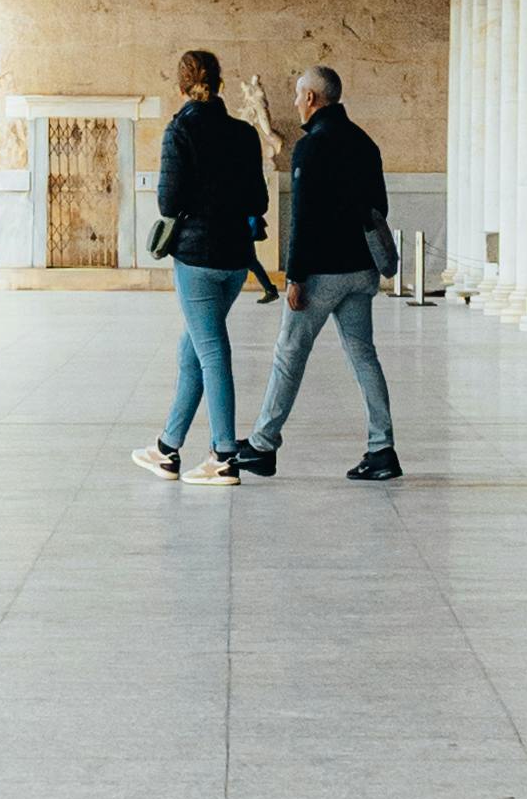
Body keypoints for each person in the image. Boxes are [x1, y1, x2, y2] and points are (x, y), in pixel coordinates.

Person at [237, 64, 404, 479]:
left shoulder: (312, 147)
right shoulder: (365, 143)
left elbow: (304, 219)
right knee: (364, 355)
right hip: (362, 272)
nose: (295, 103)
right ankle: (382, 448)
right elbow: (378, 208)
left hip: (322, 275)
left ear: (312, 98)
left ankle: (262, 444)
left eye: (298, 95)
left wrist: (295, 277)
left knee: (288, 354)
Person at [136, 46, 267, 480]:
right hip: (235, 260)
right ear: (221, 83)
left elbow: (168, 202)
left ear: (181, 86)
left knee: (211, 351)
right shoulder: (245, 133)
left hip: (197, 258)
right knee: (191, 347)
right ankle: (167, 448)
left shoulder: (180, 131)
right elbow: (259, 200)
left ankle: (224, 456)